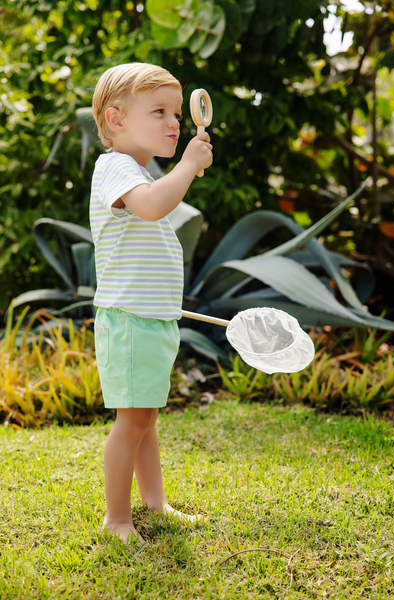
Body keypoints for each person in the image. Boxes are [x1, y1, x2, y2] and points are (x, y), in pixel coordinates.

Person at [90, 62, 213, 543]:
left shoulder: (137, 171)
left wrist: (183, 167)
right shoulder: (115, 168)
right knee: (133, 420)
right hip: (130, 321)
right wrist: (186, 165)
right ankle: (117, 518)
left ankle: (155, 503)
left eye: (178, 113)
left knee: (146, 416)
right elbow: (152, 206)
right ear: (117, 120)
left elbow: (157, 201)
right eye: (159, 111)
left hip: (151, 319)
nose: (174, 122)